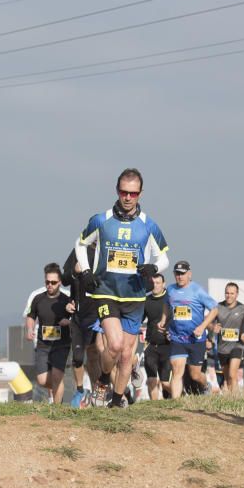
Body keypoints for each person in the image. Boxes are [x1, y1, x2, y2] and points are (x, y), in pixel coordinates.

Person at [74, 168, 168, 409]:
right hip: (106, 292)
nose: (128, 198)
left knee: (127, 354)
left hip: (135, 296)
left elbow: (164, 257)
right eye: (124, 192)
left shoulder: (149, 225)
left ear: (140, 194)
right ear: (117, 191)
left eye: (133, 194)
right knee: (113, 345)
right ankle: (103, 380)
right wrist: (86, 272)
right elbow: (80, 243)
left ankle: (116, 402)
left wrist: (153, 268)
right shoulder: (101, 220)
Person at [166, 261, 219, 399]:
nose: (180, 277)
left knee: (195, 375)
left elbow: (214, 309)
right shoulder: (170, 290)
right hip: (177, 338)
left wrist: (202, 327)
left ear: (189, 274)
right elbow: (166, 308)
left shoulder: (197, 290)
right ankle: (176, 405)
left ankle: (206, 385)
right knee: (177, 371)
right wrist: (163, 321)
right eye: (177, 274)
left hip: (196, 339)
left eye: (182, 274)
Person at [62, 245, 101, 407]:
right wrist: (74, 272)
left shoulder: (106, 251)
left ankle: (97, 392)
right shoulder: (78, 250)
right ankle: (79, 390)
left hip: (97, 314)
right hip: (78, 315)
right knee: (77, 358)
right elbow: (64, 279)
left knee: (94, 355)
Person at [26, 263, 72, 403]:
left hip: (61, 344)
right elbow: (31, 316)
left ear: (59, 283)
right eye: (47, 282)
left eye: (53, 282)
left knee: (57, 376)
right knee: (41, 380)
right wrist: (29, 328)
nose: (50, 285)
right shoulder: (38, 298)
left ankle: (57, 410)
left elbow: (76, 319)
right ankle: (59, 389)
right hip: (43, 345)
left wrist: (68, 321)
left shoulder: (66, 300)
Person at [213, 282, 244, 393]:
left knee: (232, 374)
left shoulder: (243, 308)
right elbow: (208, 322)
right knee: (227, 378)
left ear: (237, 294)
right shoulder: (218, 307)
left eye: (232, 293)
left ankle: (236, 399)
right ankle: (233, 399)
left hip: (237, 346)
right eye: (227, 293)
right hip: (222, 348)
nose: (229, 295)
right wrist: (213, 327)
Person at [141, 273, 171, 400]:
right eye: (153, 283)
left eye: (158, 283)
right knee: (152, 380)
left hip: (168, 345)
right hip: (151, 345)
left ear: (164, 284)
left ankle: (178, 396)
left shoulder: (171, 299)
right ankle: (154, 407)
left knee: (165, 383)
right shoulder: (146, 300)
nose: (155, 286)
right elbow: (138, 320)